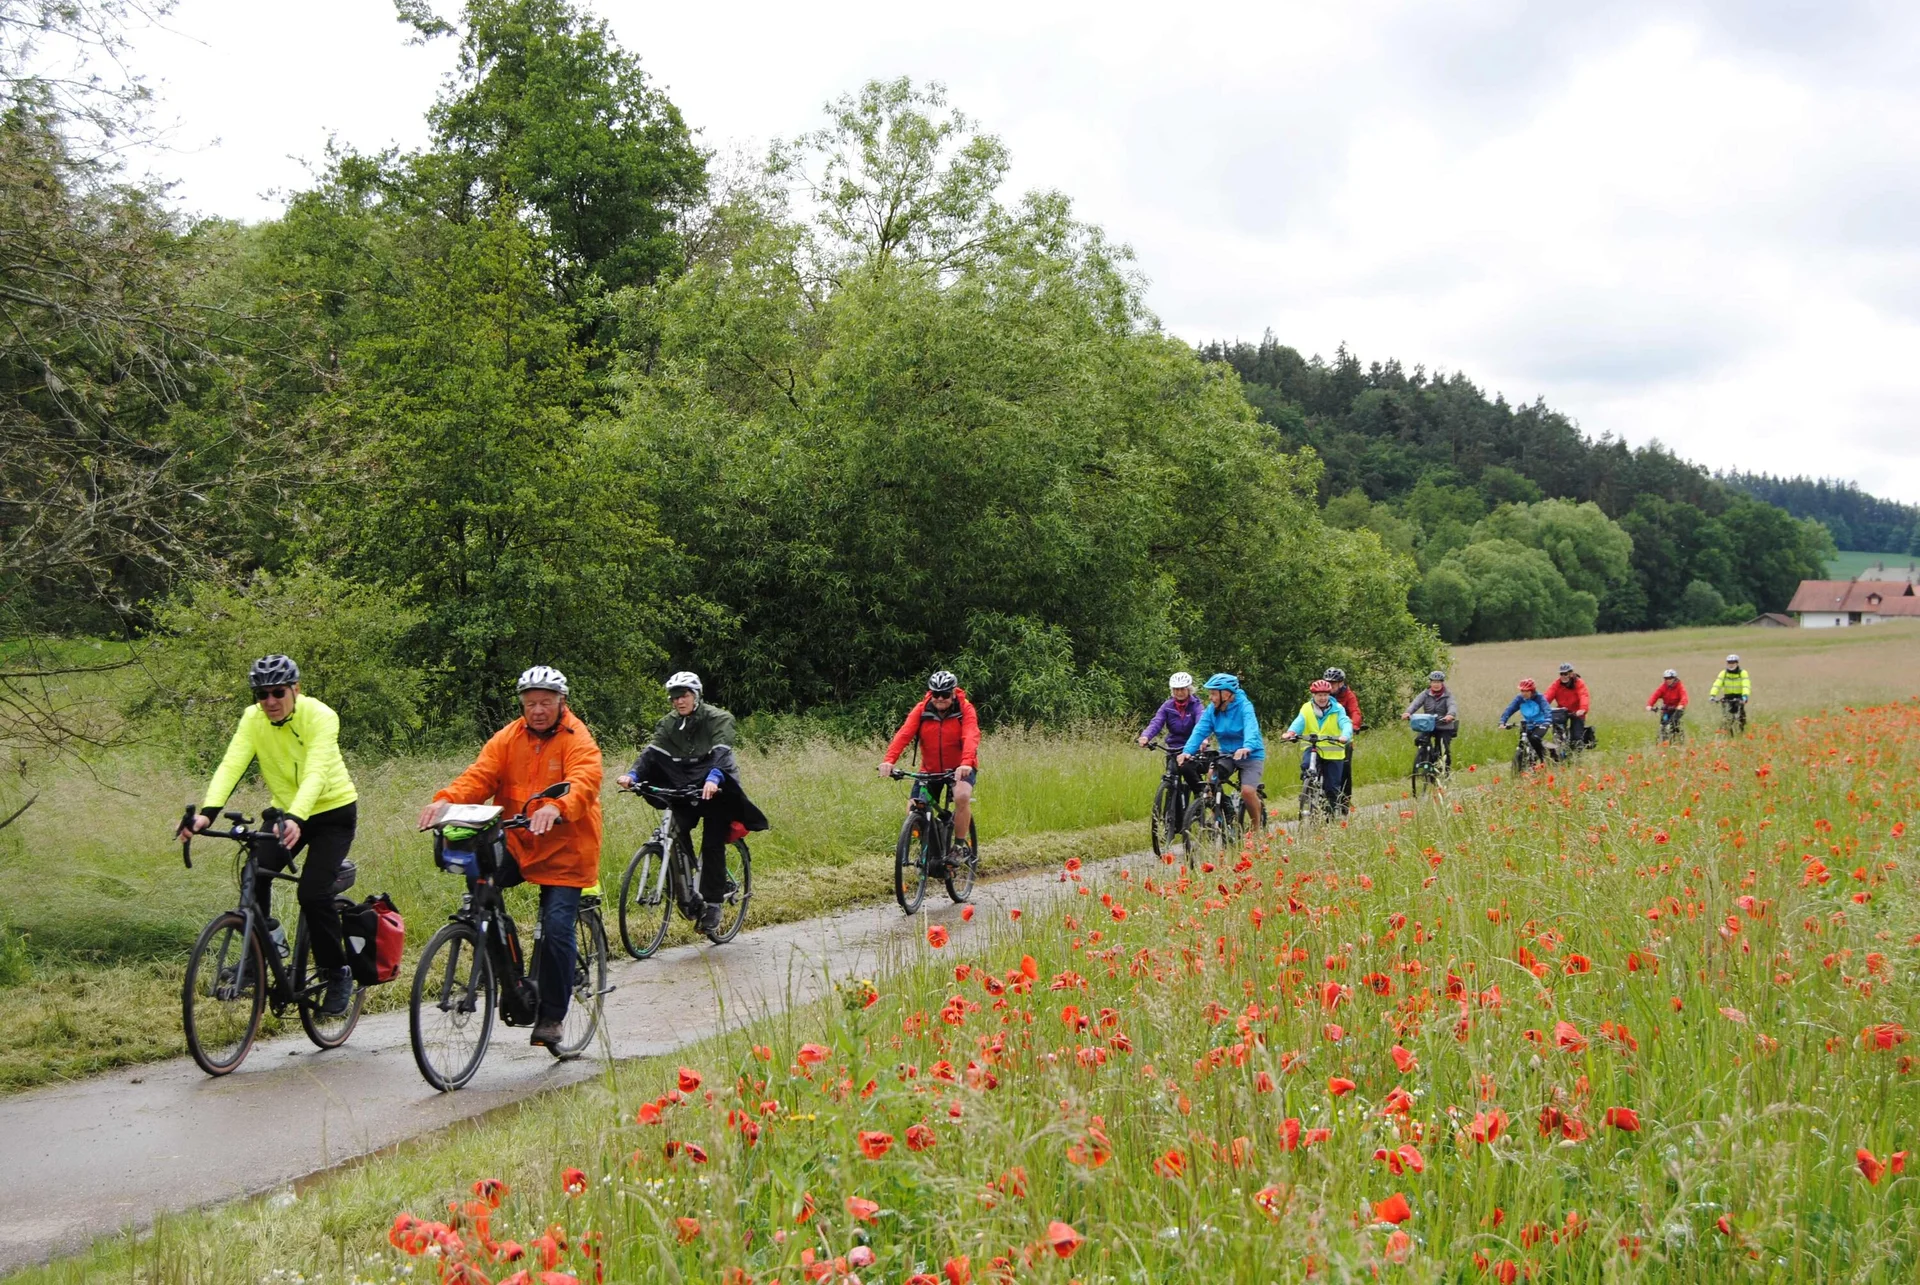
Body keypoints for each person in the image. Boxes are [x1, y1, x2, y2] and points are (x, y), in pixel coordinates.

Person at [419, 666, 603, 1048]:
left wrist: (557, 806)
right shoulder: (508, 737)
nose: (537, 710)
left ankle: (552, 1014)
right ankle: (511, 973)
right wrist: (446, 801)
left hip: (566, 848)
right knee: (481, 883)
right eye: (530, 703)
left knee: (555, 929)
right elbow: (480, 776)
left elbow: (586, 779)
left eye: (545, 703)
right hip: (520, 841)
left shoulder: (577, 737)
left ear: (560, 702)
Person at [178, 654, 360, 1015]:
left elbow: (317, 773)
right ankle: (266, 946)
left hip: (332, 813)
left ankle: (338, 972)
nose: (270, 702)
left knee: (312, 893)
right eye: (261, 694)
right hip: (286, 813)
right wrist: (207, 814)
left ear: (296, 689)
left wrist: (297, 815)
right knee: (253, 870)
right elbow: (232, 762)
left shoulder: (321, 716)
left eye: (278, 692)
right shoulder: (253, 718)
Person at [621, 671, 768, 932]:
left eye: (684, 695)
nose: (679, 701)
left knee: (712, 842)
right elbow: (651, 753)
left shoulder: (718, 718)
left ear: (696, 696)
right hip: (686, 788)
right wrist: (633, 775)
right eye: (675, 697)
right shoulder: (668, 724)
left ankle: (713, 904)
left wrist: (714, 777)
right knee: (675, 832)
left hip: (716, 789)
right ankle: (689, 893)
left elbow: (722, 752)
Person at [879, 670, 980, 865]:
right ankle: (931, 845)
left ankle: (958, 847)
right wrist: (889, 760)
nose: (940, 698)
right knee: (913, 807)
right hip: (930, 768)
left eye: (944, 694)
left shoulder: (965, 709)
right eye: (936, 694)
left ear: (952, 693)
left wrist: (966, 762)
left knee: (962, 796)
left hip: (960, 768)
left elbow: (971, 735)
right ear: (930, 693)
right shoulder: (922, 709)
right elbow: (904, 734)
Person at [1182, 673, 1266, 826]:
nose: (1211, 697)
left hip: (1251, 754)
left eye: (1214, 694)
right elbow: (1200, 730)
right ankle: (1220, 814)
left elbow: (1251, 728)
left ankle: (1256, 827)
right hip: (1227, 753)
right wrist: (1187, 751)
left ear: (1226, 694)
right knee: (1212, 777)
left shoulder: (1244, 707)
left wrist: (1247, 746)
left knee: (1247, 792)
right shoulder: (1212, 710)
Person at [1282, 679, 1354, 811]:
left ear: (1329, 695)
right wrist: (1291, 732)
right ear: (1313, 695)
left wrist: (1345, 735)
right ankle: (1308, 790)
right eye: (1319, 695)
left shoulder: (1338, 708)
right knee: (1307, 766)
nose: (1323, 698)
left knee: (1332, 788)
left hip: (1334, 752)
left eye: (1325, 695)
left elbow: (1345, 722)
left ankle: (1331, 817)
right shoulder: (1306, 708)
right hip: (1313, 747)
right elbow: (1299, 721)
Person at [1402, 669, 1459, 768]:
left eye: (1438, 682)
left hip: (1444, 725)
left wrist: (1450, 715)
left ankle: (1446, 771)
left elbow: (1452, 705)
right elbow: (1416, 703)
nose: (1435, 684)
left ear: (1442, 683)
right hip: (1428, 725)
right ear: (1430, 682)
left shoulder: (1448, 695)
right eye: (1433, 682)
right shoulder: (1425, 694)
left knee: (1443, 749)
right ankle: (1425, 758)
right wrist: (1408, 712)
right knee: (1420, 740)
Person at [1324, 668, 1362, 808]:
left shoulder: (1348, 695)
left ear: (1341, 683)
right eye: (1328, 682)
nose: (1330, 685)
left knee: (1345, 770)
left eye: (1334, 683)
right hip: (1325, 737)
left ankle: (1345, 802)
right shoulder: (1322, 695)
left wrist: (1354, 726)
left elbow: (1355, 711)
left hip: (1343, 737)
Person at [1498, 678, 1555, 764]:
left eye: (1526, 691)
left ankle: (1543, 759)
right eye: (1522, 691)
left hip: (1541, 723)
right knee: (1522, 742)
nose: (1523, 693)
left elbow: (1546, 709)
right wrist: (1503, 721)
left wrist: (1547, 720)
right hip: (1527, 723)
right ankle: (1523, 762)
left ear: (1532, 691)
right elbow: (1510, 709)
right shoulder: (1519, 699)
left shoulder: (1539, 698)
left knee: (1534, 738)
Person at [1547, 662, 1591, 752]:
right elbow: (1548, 695)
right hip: (1562, 711)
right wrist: (1541, 707)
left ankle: (1576, 757)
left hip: (1577, 712)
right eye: (1561, 674)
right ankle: (1559, 754)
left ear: (1571, 674)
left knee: (1576, 737)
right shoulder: (1557, 684)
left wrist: (1583, 709)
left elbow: (1583, 695)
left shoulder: (1579, 683)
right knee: (1558, 735)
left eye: (1565, 674)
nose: (1563, 676)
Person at [1709, 654, 1751, 730]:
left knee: (1741, 716)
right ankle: (1727, 733)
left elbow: (1746, 685)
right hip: (1728, 696)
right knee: (1727, 718)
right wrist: (1713, 695)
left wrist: (1745, 696)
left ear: (1737, 663)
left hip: (1739, 697)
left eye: (1733, 663)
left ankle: (1741, 730)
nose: (1731, 665)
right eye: (1729, 663)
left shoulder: (1742, 673)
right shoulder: (1723, 673)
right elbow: (1717, 684)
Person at [1647, 669, 1688, 736]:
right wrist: (1649, 705)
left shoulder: (1680, 686)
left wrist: (1681, 705)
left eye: (1670, 678)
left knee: (1674, 722)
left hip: (1678, 708)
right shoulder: (1663, 686)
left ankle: (1677, 738)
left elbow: (1684, 697)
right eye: (1666, 678)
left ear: (1675, 678)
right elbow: (1655, 695)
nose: (1668, 680)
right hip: (1667, 708)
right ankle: (1663, 740)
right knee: (1663, 723)